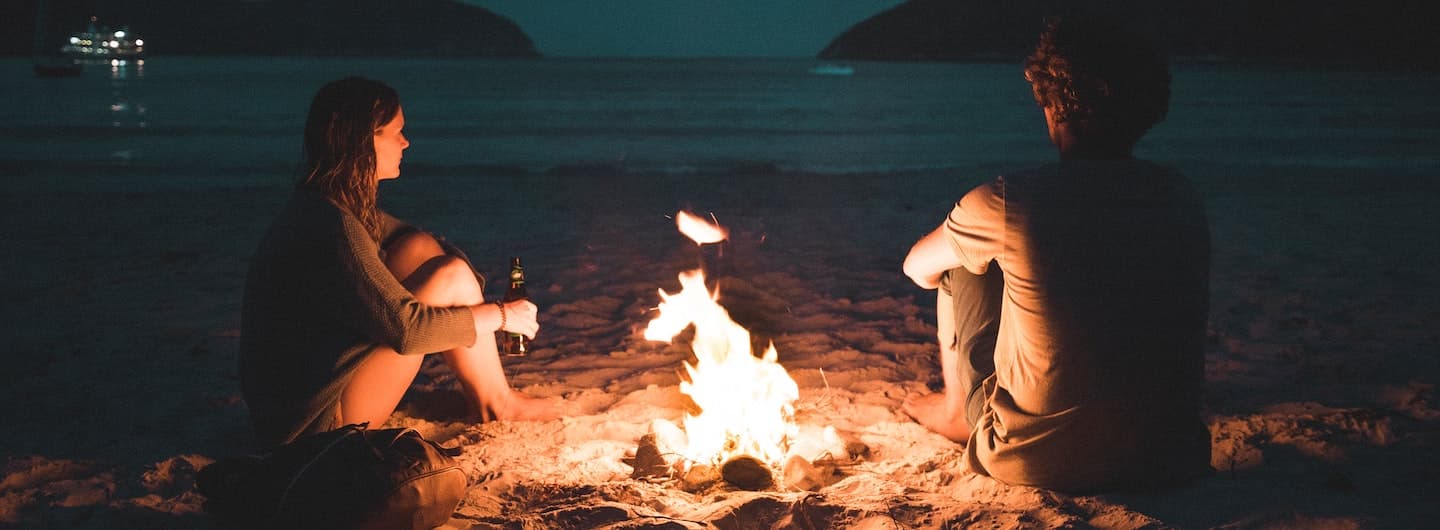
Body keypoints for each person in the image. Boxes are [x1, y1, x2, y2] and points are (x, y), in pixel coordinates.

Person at [900, 16, 1211, 492]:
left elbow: (916, 269)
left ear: (1052, 108)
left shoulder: (1010, 201)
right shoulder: (1180, 196)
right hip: (1170, 456)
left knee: (962, 262)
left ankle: (955, 410)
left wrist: (980, 242)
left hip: (1034, 459)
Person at [240, 77, 553, 446]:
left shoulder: (327, 205)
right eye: (396, 132)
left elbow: (428, 245)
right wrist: (502, 316)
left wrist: (470, 289)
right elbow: (409, 332)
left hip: (296, 403)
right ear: (364, 140)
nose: (406, 142)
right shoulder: (333, 227)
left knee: (418, 248)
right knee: (450, 277)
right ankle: (497, 403)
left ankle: (494, 397)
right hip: (316, 428)